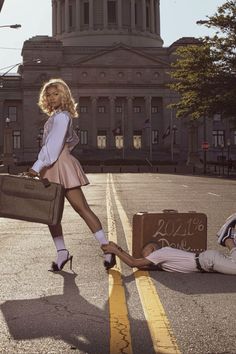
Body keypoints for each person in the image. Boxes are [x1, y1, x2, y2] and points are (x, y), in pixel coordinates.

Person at [26, 78, 115, 271]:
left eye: (55, 94)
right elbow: (70, 139)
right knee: (52, 215)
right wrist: (60, 152)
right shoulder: (57, 116)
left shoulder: (62, 117)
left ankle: (107, 248)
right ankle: (62, 253)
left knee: (81, 208)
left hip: (58, 165)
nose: (51, 98)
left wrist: (38, 165)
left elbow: (53, 145)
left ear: (64, 95)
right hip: (54, 165)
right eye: (48, 95)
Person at [102, 214, 236, 274]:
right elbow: (141, 265)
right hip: (207, 261)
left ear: (154, 248)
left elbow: (134, 263)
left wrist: (116, 250)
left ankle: (226, 238)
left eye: (146, 251)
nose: (145, 255)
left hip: (209, 261)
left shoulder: (161, 253)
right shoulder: (160, 261)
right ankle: (230, 238)